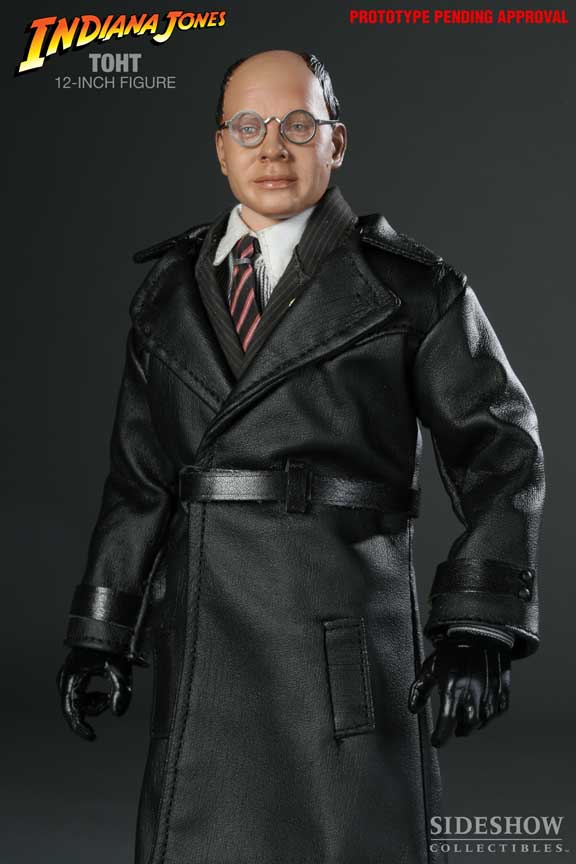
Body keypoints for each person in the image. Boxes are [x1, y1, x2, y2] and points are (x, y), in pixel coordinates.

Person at [57, 49, 545, 864]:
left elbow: (502, 451)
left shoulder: (408, 290)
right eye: (249, 127)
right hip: (207, 638)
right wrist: (102, 631)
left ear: (336, 142)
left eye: (297, 125)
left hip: (341, 632)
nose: (273, 148)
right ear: (221, 148)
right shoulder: (167, 295)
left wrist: (478, 624)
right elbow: (140, 482)